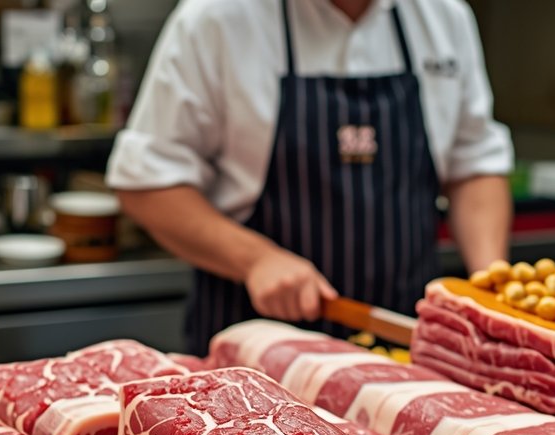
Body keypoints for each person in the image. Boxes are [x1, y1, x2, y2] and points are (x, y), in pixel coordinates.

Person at [107, 0, 514, 355]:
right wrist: (257, 260)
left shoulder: (444, 15)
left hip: (405, 355)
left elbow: (474, 166)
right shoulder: (217, 18)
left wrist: (492, 285)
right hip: (256, 362)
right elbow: (147, 181)